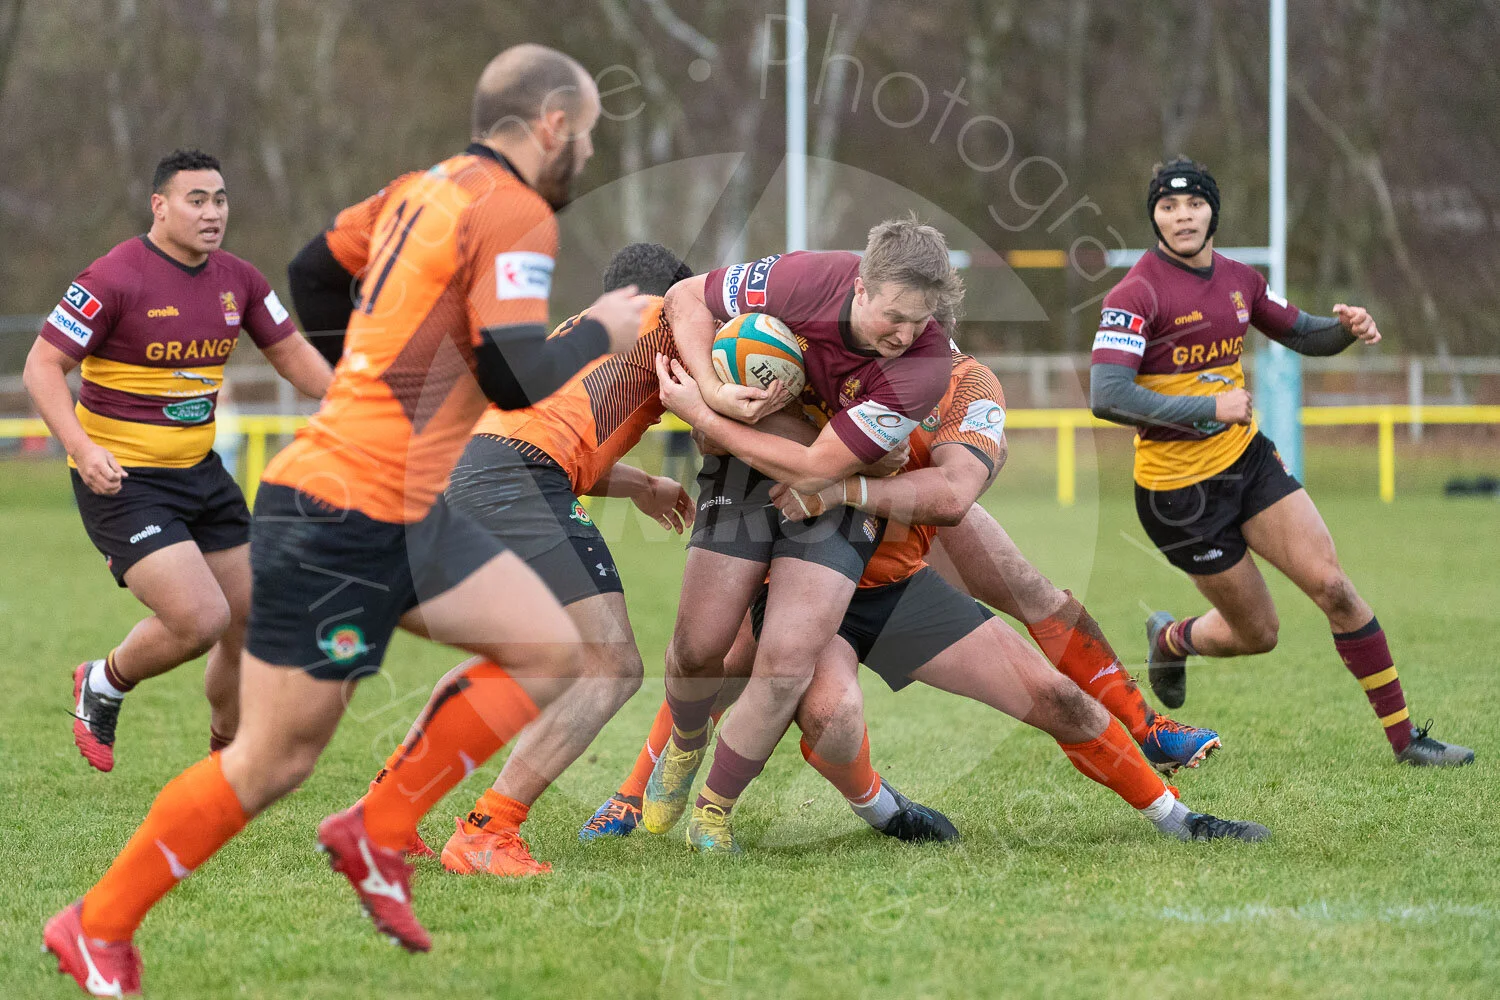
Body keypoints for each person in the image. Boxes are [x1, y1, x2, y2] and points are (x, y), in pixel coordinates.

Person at [43, 44, 648, 997]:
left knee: (548, 646)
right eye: (590, 136)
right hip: (341, 510)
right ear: (553, 127)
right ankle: (96, 925)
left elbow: (310, 273)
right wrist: (607, 327)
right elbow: (508, 375)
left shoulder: (419, 188)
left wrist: (379, 381)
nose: (588, 156)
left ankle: (379, 827)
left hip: (408, 498)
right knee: (273, 758)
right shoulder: (517, 211)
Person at [1089, 156, 1471, 767]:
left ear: (1213, 211)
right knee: (1257, 635)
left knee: (1335, 588)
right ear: (1154, 218)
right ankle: (1172, 637)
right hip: (1179, 496)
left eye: (1193, 204)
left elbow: (1300, 332)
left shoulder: (1240, 279)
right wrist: (1208, 404)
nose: (1182, 216)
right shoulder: (1135, 293)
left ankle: (1407, 742)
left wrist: (1345, 328)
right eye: (1167, 207)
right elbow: (1107, 396)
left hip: (1249, 464)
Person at [644, 218, 959, 853]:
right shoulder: (806, 278)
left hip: (836, 494)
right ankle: (684, 742)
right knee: (698, 650)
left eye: (919, 320)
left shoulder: (925, 362)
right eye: (893, 316)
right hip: (743, 470)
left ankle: (714, 811)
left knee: (786, 662)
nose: (905, 334)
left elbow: (818, 467)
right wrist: (714, 388)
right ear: (860, 286)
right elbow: (684, 298)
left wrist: (702, 414)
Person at [22, 148, 333, 771]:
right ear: (159, 206)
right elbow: (41, 366)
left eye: (219, 199)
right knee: (200, 619)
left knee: (252, 621)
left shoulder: (240, 280)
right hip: (124, 483)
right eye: (197, 199)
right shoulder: (114, 277)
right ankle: (103, 682)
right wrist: (82, 450)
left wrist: (353, 400)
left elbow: (295, 355)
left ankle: (225, 758)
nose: (212, 212)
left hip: (201, 474)